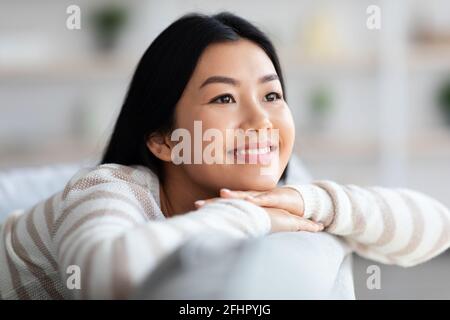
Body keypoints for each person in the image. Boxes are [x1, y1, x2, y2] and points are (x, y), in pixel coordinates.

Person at [0, 12, 448, 300]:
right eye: (224, 100)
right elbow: (106, 278)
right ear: (162, 139)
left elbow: (438, 227)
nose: (261, 120)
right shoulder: (107, 188)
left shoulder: (283, 199)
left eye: (272, 94)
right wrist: (249, 216)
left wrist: (317, 204)